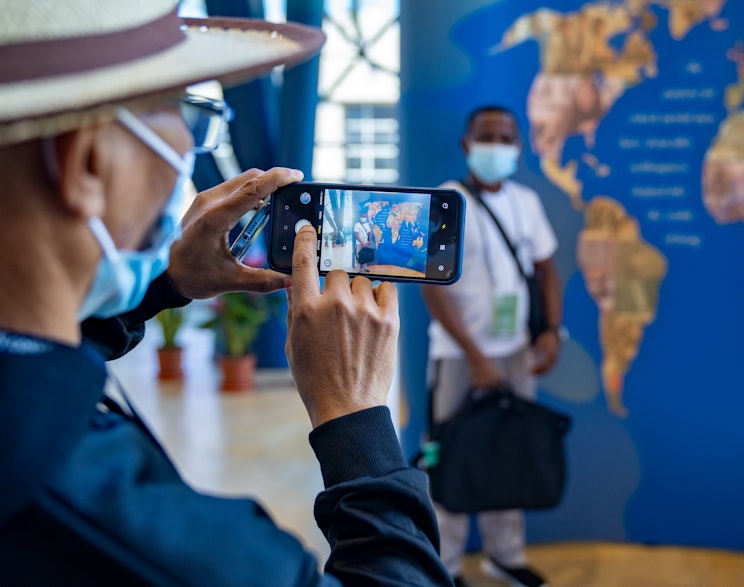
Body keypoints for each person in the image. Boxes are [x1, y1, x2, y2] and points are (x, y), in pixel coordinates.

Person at [0, 2, 453, 585]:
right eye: (182, 115)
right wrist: (357, 416)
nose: (190, 154)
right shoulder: (117, 528)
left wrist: (167, 281)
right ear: (86, 162)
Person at [421, 105, 563, 587]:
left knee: (510, 454)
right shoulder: (447, 201)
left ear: (519, 147)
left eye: (506, 137)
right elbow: (431, 287)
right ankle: (448, 565)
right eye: (487, 137)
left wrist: (550, 332)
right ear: (466, 145)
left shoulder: (526, 202)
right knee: (450, 454)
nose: (497, 146)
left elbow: (546, 270)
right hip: (459, 355)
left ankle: (505, 556)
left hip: (515, 352)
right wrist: (477, 356)